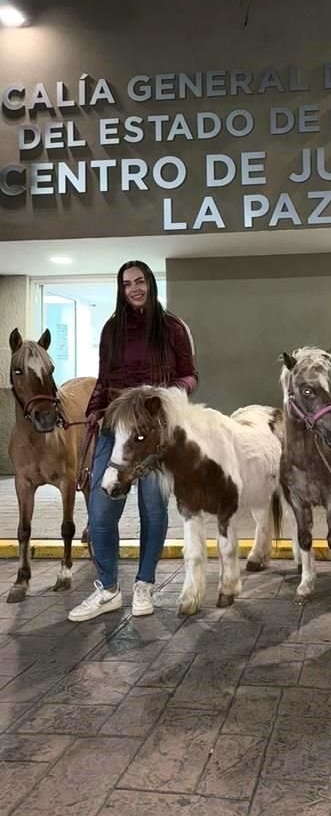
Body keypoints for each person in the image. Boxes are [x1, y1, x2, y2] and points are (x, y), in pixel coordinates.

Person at [68, 260, 198, 622]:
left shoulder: (173, 327)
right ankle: (108, 588)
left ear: (150, 284)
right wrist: (95, 411)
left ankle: (144, 584)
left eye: (140, 281)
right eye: (127, 284)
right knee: (100, 510)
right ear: (121, 289)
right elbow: (103, 377)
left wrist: (171, 394)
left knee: (153, 511)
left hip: (154, 431)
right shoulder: (112, 328)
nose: (135, 288)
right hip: (114, 426)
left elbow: (190, 375)